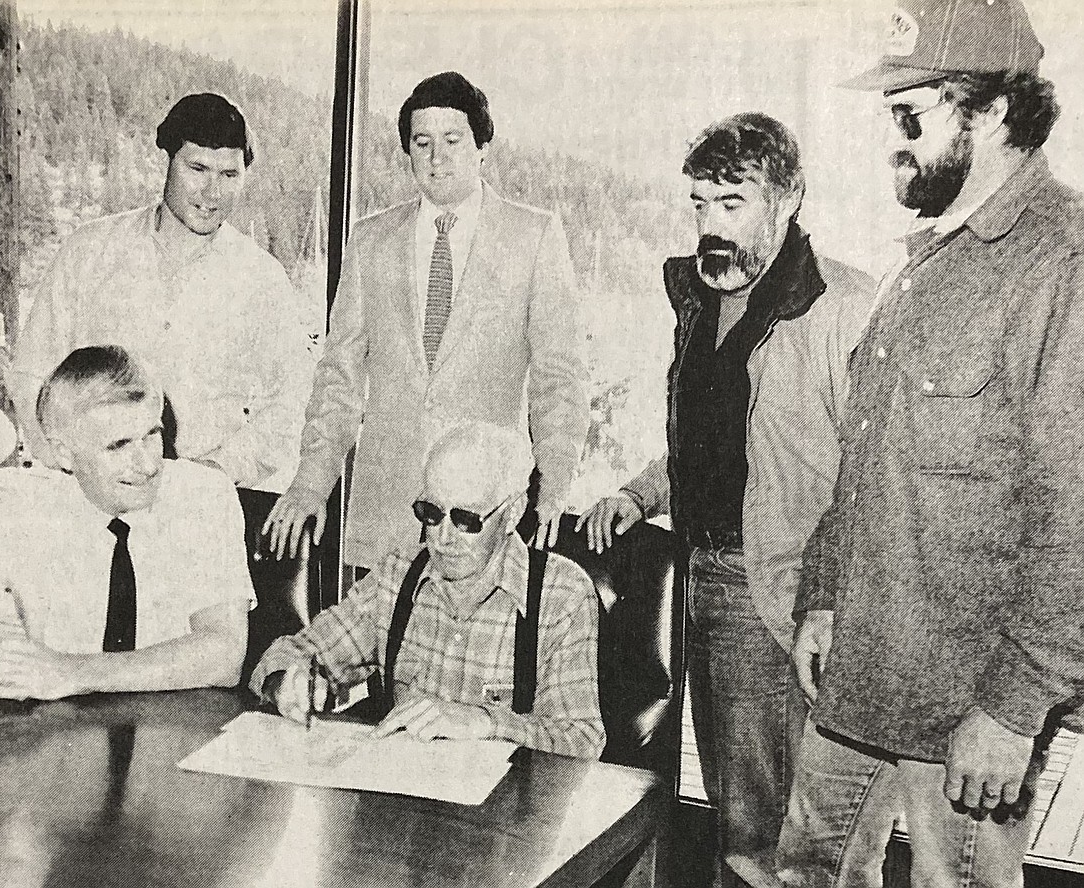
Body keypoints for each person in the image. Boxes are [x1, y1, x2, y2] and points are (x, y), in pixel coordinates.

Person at [777, 1, 1084, 886]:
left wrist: (1015, 708)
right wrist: (824, 595)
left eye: (910, 118)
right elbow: (869, 463)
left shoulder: (1061, 266)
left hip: (968, 709)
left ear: (992, 111)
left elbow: (1075, 521)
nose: (893, 143)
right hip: (865, 678)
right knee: (805, 872)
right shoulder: (926, 262)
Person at [577, 114, 873, 888]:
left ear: (789, 198)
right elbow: (708, 446)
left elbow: (871, 475)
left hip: (777, 589)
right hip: (704, 576)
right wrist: (641, 494)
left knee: (770, 835)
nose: (710, 224)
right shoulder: (704, 299)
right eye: (699, 203)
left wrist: (826, 599)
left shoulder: (840, 307)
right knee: (735, 812)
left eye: (732, 203)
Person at [263, 71, 588, 569]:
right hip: (383, 524)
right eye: (422, 142)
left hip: (484, 519)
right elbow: (338, 381)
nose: (437, 157)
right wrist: (310, 483)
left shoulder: (534, 237)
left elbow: (558, 382)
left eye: (453, 140)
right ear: (408, 152)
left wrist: (554, 487)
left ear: (483, 147)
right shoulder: (370, 241)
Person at [0, 345, 253, 701]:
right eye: (119, 445)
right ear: (63, 453)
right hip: (68, 742)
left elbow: (225, 653)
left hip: (183, 735)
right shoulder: (26, 513)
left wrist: (67, 671)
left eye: (152, 434)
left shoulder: (204, 495)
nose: (148, 463)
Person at [10, 93, 311, 491]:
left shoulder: (262, 278)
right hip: (83, 495)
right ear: (166, 161)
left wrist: (213, 473)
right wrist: (68, 468)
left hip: (201, 504)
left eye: (229, 175)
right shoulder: (89, 251)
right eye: (198, 168)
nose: (212, 192)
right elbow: (31, 374)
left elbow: (291, 406)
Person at [252, 421, 605, 759]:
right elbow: (294, 650)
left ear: (512, 514)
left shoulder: (562, 596)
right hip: (402, 807)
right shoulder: (400, 574)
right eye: (431, 512)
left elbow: (582, 741)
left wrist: (488, 721)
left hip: (503, 812)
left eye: (466, 519)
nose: (443, 537)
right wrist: (286, 682)